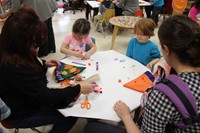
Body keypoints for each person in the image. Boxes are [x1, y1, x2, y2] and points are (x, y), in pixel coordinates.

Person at [84, 15, 200, 133]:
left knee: (90, 128)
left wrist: (125, 116)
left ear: (166, 50)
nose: (139, 36)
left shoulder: (162, 95)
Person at [0, 6, 97, 133]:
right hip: (21, 113)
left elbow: (29, 64)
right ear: (22, 44)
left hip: (27, 99)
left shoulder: (11, 50)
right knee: (70, 115)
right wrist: (78, 89)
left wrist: (43, 64)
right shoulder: (14, 67)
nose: (37, 49)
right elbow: (45, 97)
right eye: (35, 45)